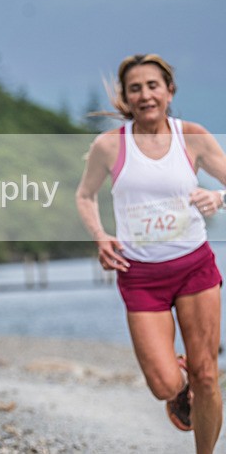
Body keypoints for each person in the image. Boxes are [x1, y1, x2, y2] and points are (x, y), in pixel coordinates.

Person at [76, 53, 226, 454]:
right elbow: (85, 195)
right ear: (126, 97)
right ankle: (180, 377)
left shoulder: (191, 136)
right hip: (141, 276)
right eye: (135, 88)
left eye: (153, 85)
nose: (145, 95)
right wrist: (100, 236)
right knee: (164, 385)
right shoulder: (109, 146)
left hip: (195, 267)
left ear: (169, 90)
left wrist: (217, 196)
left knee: (207, 376)